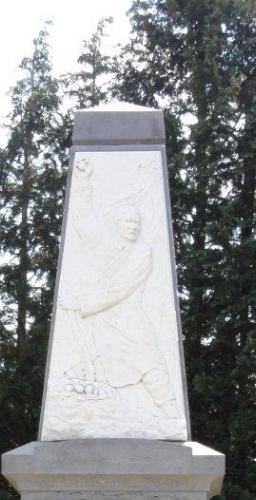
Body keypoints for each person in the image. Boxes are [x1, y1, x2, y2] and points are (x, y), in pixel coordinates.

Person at [57, 159, 180, 421]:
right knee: (86, 372)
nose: (134, 226)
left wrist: (79, 305)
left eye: (136, 221)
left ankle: (171, 417)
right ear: (116, 224)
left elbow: (118, 290)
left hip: (131, 321)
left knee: (151, 365)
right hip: (104, 326)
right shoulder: (107, 248)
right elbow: (82, 224)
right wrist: (83, 182)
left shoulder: (142, 253)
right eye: (128, 221)